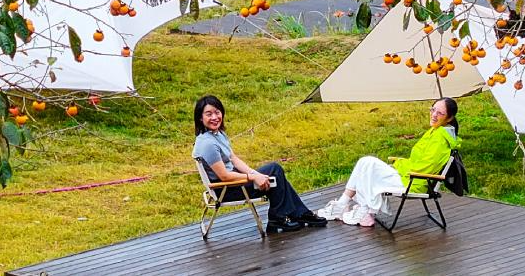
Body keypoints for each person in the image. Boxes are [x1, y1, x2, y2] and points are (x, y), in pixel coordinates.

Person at [317, 97, 461, 227]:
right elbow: (417, 162)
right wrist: (400, 164)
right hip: (408, 176)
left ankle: (365, 210)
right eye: (433, 109)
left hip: (413, 181)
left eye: (440, 113)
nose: (434, 115)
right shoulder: (436, 131)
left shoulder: (440, 140)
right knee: (365, 163)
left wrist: (399, 165)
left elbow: (422, 168)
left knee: (369, 163)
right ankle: (346, 205)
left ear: (449, 118)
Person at [192, 95, 327, 233]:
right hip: (227, 189)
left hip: (236, 181)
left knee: (273, 173)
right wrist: (253, 177)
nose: (215, 117)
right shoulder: (207, 144)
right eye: (209, 114)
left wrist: (255, 173)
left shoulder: (217, 134)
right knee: (275, 170)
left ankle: (296, 215)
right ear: (200, 118)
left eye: (217, 112)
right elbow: (225, 176)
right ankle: (281, 217)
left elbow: (234, 159)